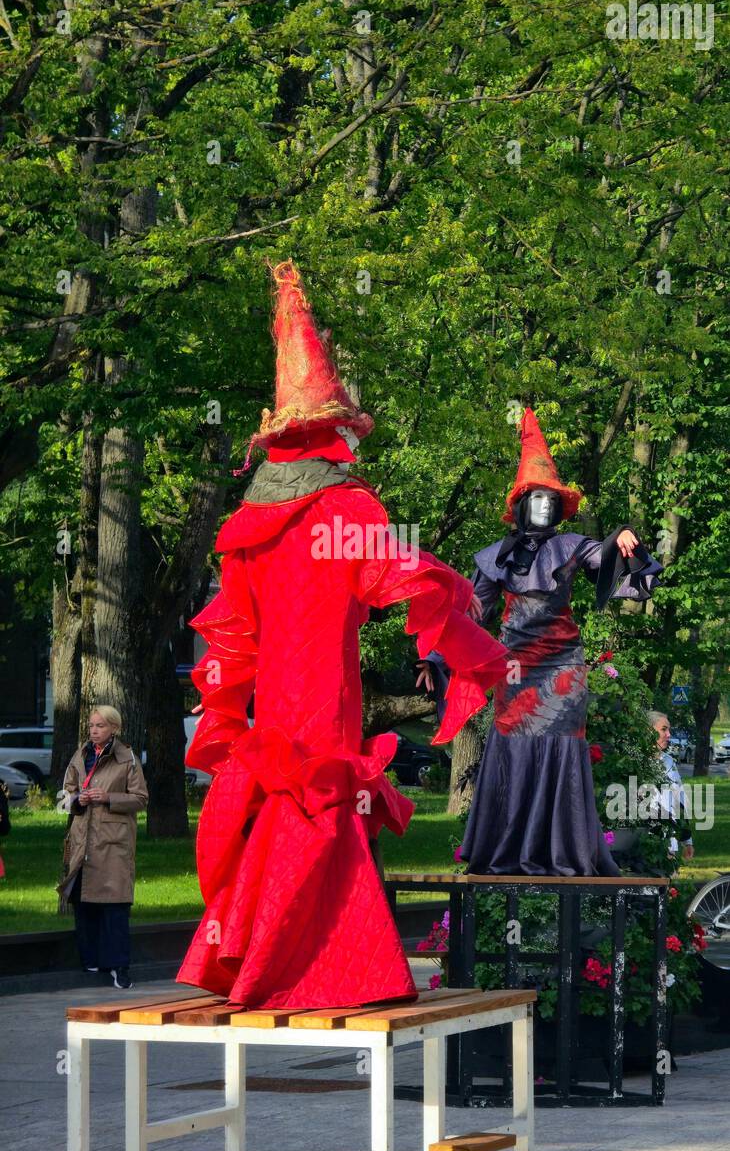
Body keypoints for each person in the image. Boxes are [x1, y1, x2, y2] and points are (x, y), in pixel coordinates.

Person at [176, 260, 507, 1010]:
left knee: (293, 793)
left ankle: (261, 955)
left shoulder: (248, 531)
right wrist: (455, 606)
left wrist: (227, 715)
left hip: (277, 700)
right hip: (325, 687)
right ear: (331, 439)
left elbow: (233, 640)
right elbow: (389, 576)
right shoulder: (347, 510)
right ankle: (322, 968)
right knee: (323, 796)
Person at [419, 408, 663, 876]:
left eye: (551, 497)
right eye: (536, 497)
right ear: (519, 503)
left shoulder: (573, 546)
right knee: (512, 746)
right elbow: (471, 612)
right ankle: (511, 850)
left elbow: (603, 554)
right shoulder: (498, 557)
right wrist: (434, 654)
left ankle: (561, 852)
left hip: (563, 669)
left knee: (562, 748)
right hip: (515, 668)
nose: (544, 505)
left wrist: (623, 538)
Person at [58, 706, 148, 989]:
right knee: (83, 902)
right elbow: (64, 795)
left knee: (114, 904)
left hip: (112, 843)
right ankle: (91, 960)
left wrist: (108, 797)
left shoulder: (127, 758)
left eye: (99, 725)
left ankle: (119, 966)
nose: (93, 730)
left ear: (114, 728)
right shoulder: (80, 755)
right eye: (91, 725)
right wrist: (76, 800)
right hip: (82, 840)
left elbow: (141, 798)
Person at [647, 710, 693, 862]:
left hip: (669, 845)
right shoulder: (635, 763)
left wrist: (687, 841)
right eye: (663, 729)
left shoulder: (669, 761)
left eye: (669, 730)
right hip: (645, 843)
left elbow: (680, 802)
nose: (669, 735)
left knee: (668, 884)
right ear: (649, 731)